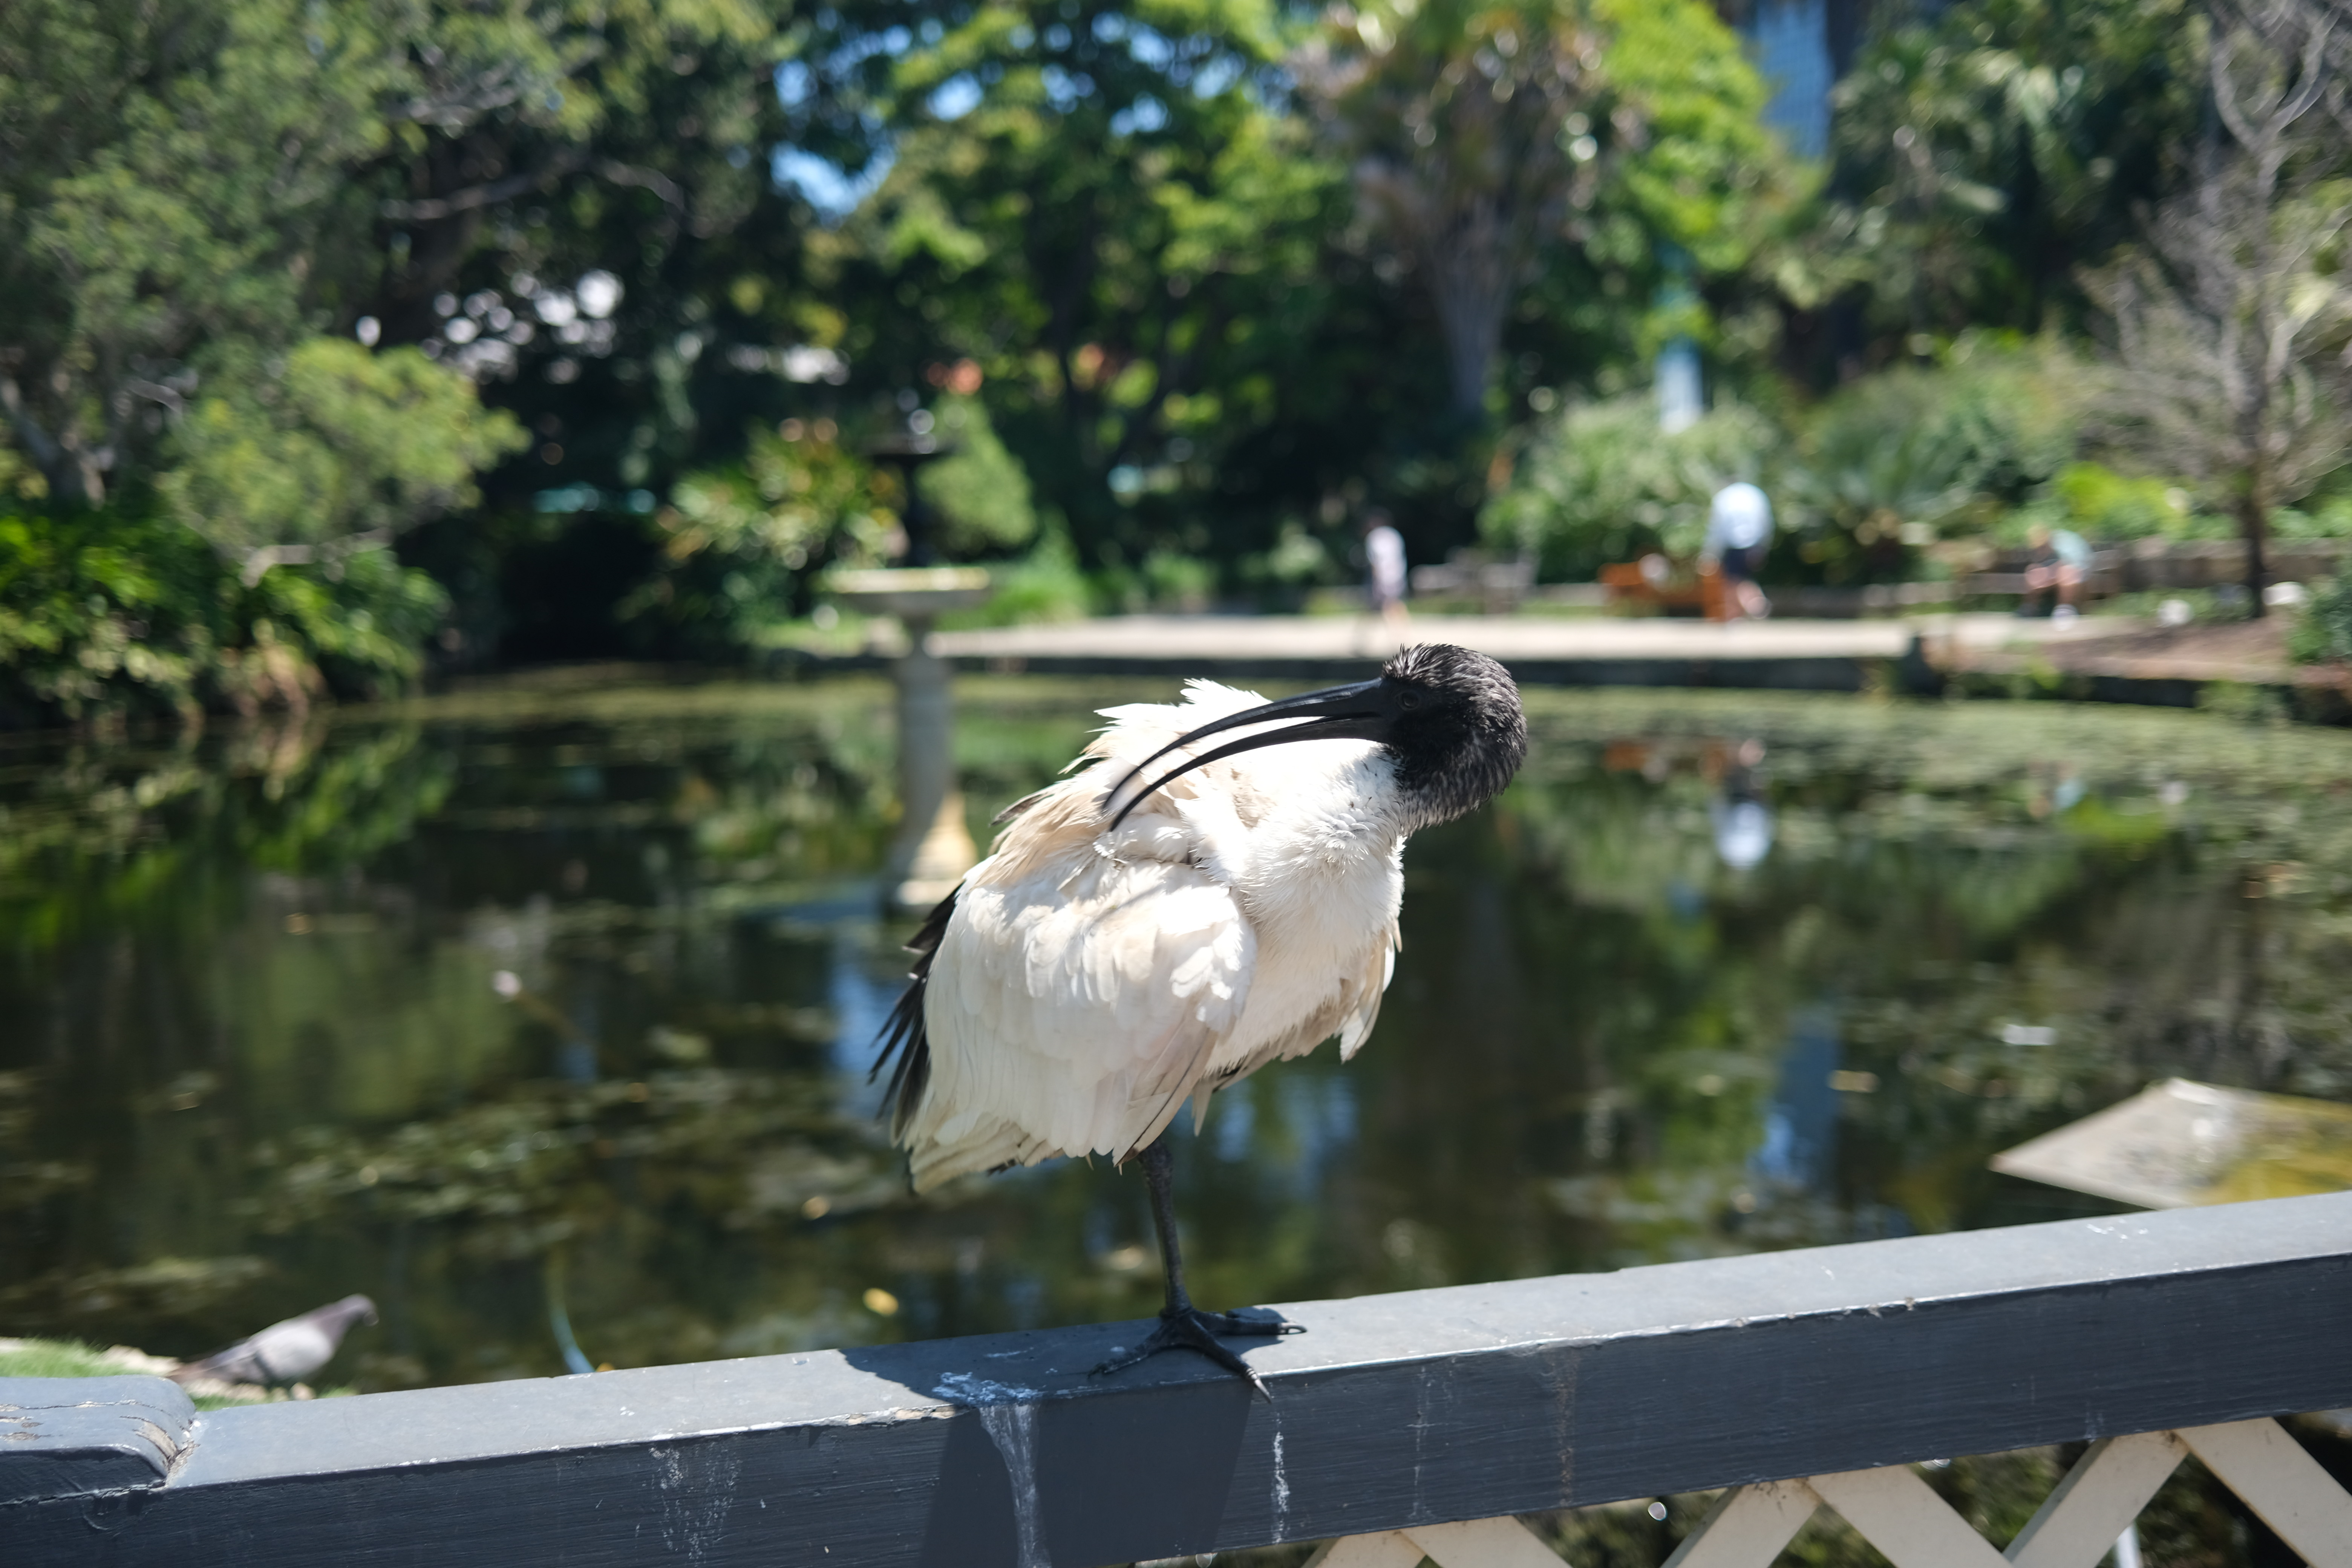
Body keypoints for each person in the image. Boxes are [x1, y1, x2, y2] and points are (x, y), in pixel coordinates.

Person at [1703, 482, 1774, 619]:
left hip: (1733, 546)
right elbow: (1766, 522)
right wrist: (1764, 546)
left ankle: (1752, 608)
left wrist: (1711, 552)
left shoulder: (1724, 497)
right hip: (1755, 545)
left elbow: (1717, 527)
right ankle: (1752, 607)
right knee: (1743, 580)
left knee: (1732, 583)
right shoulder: (1754, 493)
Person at [2021, 524, 2091, 622]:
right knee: (2033, 572)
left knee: (2067, 574)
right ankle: (2031, 608)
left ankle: (2064, 610)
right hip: (2056, 574)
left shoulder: (2064, 543)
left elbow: (2070, 565)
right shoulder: (2048, 544)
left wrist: (2048, 576)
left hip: (2077, 574)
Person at [1364, 513, 1409, 631]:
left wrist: (1377, 579)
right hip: (1397, 575)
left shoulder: (1374, 537)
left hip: (1384, 577)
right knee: (1389, 603)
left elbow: (1377, 562)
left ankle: (1398, 633)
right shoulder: (1394, 535)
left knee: (1387, 605)